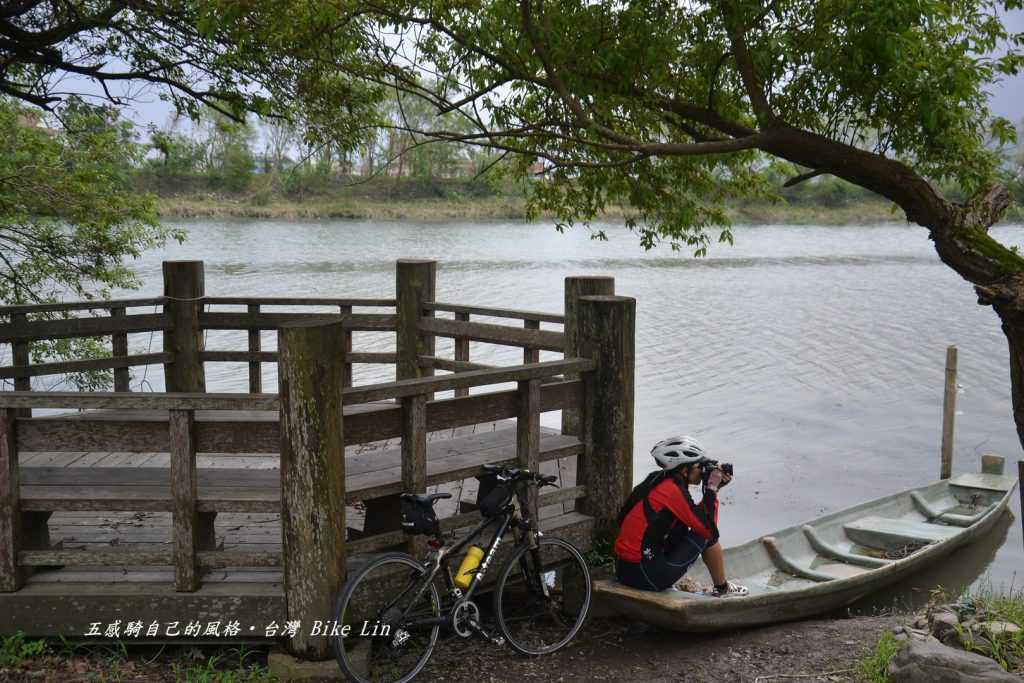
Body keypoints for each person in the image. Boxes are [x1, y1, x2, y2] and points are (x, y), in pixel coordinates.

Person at [613, 435, 749, 597]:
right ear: (685, 470)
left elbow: (622, 518)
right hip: (644, 576)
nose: (703, 471)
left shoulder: (657, 479)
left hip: (623, 569)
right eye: (700, 466)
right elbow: (707, 529)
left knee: (682, 526)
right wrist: (712, 489)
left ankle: (662, 569)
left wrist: (714, 490)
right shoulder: (672, 491)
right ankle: (722, 588)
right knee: (704, 535)